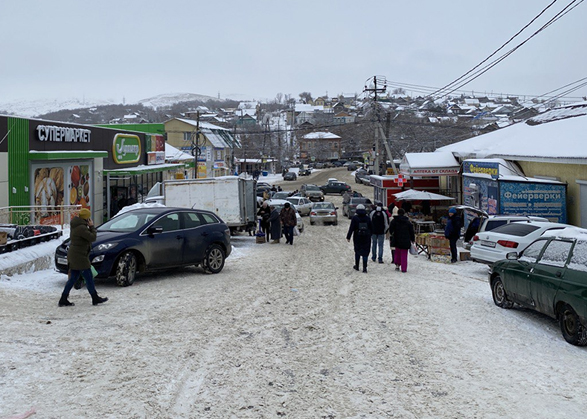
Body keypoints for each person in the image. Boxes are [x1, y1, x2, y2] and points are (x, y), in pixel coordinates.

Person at [58, 208, 108, 307]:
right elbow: (92, 237)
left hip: (76, 254)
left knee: (74, 278)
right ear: (86, 218)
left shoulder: (76, 224)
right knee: (88, 277)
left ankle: (63, 298)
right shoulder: (81, 228)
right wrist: (92, 227)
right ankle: (95, 298)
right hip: (79, 256)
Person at [346, 204, 373, 273]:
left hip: (357, 236)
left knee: (357, 250)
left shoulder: (355, 218)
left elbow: (351, 228)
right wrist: (370, 235)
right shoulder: (367, 218)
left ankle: (357, 266)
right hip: (366, 237)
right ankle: (364, 268)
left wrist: (348, 237)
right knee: (365, 252)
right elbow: (371, 227)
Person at [388, 208, 415, 273]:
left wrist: (392, 234)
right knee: (404, 254)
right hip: (406, 240)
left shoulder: (394, 221)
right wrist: (412, 239)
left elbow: (391, 229)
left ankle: (397, 265)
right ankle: (404, 268)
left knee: (397, 252)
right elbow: (411, 231)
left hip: (397, 239)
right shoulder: (408, 222)